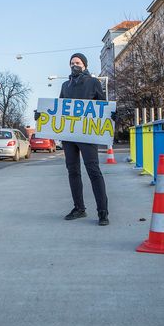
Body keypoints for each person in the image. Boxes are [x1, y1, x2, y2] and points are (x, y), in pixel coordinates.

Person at [37, 52, 112, 226]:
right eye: (72, 63)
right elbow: (59, 108)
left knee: (93, 171)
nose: (74, 65)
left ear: (84, 65)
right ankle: (79, 208)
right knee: (73, 171)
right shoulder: (65, 85)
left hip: (87, 134)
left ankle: (103, 212)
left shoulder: (94, 82)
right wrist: (42, 115)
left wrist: (112, 115)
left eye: (77, 62)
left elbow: (103, 105)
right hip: (69, 136)